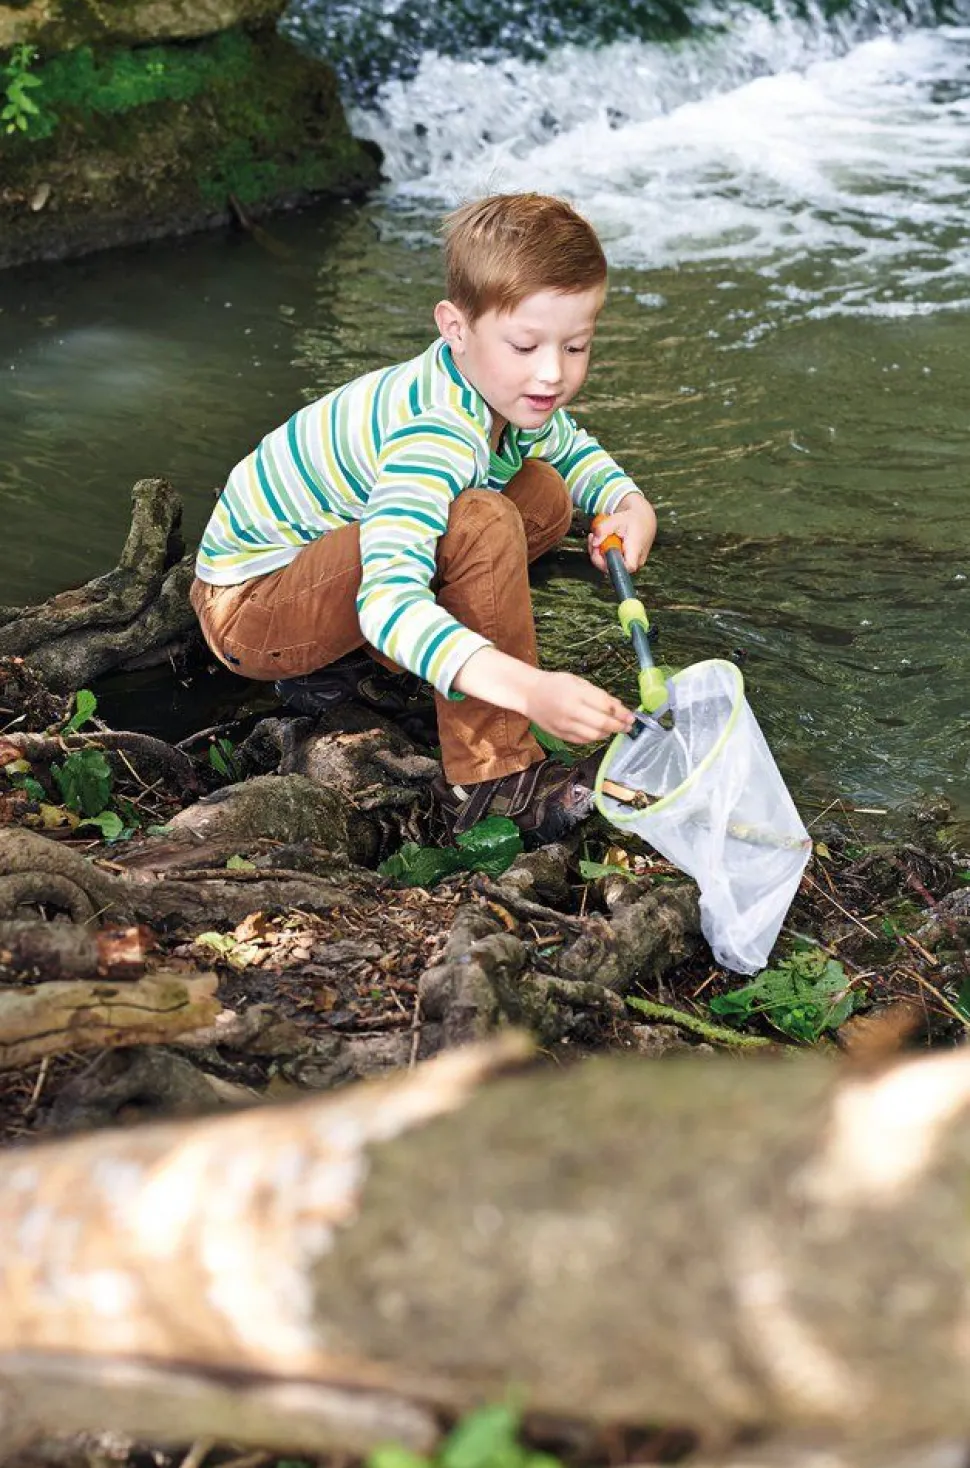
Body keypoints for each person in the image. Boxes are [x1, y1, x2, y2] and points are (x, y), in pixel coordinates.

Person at [190, 192, 657, 844]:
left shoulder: (499, 388)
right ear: (455, 327)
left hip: (319, 572)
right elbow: (385, 601)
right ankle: (493, 779)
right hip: (252, 607)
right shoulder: (434, 433)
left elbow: (569, 445)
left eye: (575, 347)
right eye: (525, 345)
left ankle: (367, 667)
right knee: (482, 521)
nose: (552, 374)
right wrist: (528, 689)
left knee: (544, 495)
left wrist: (628, 504)